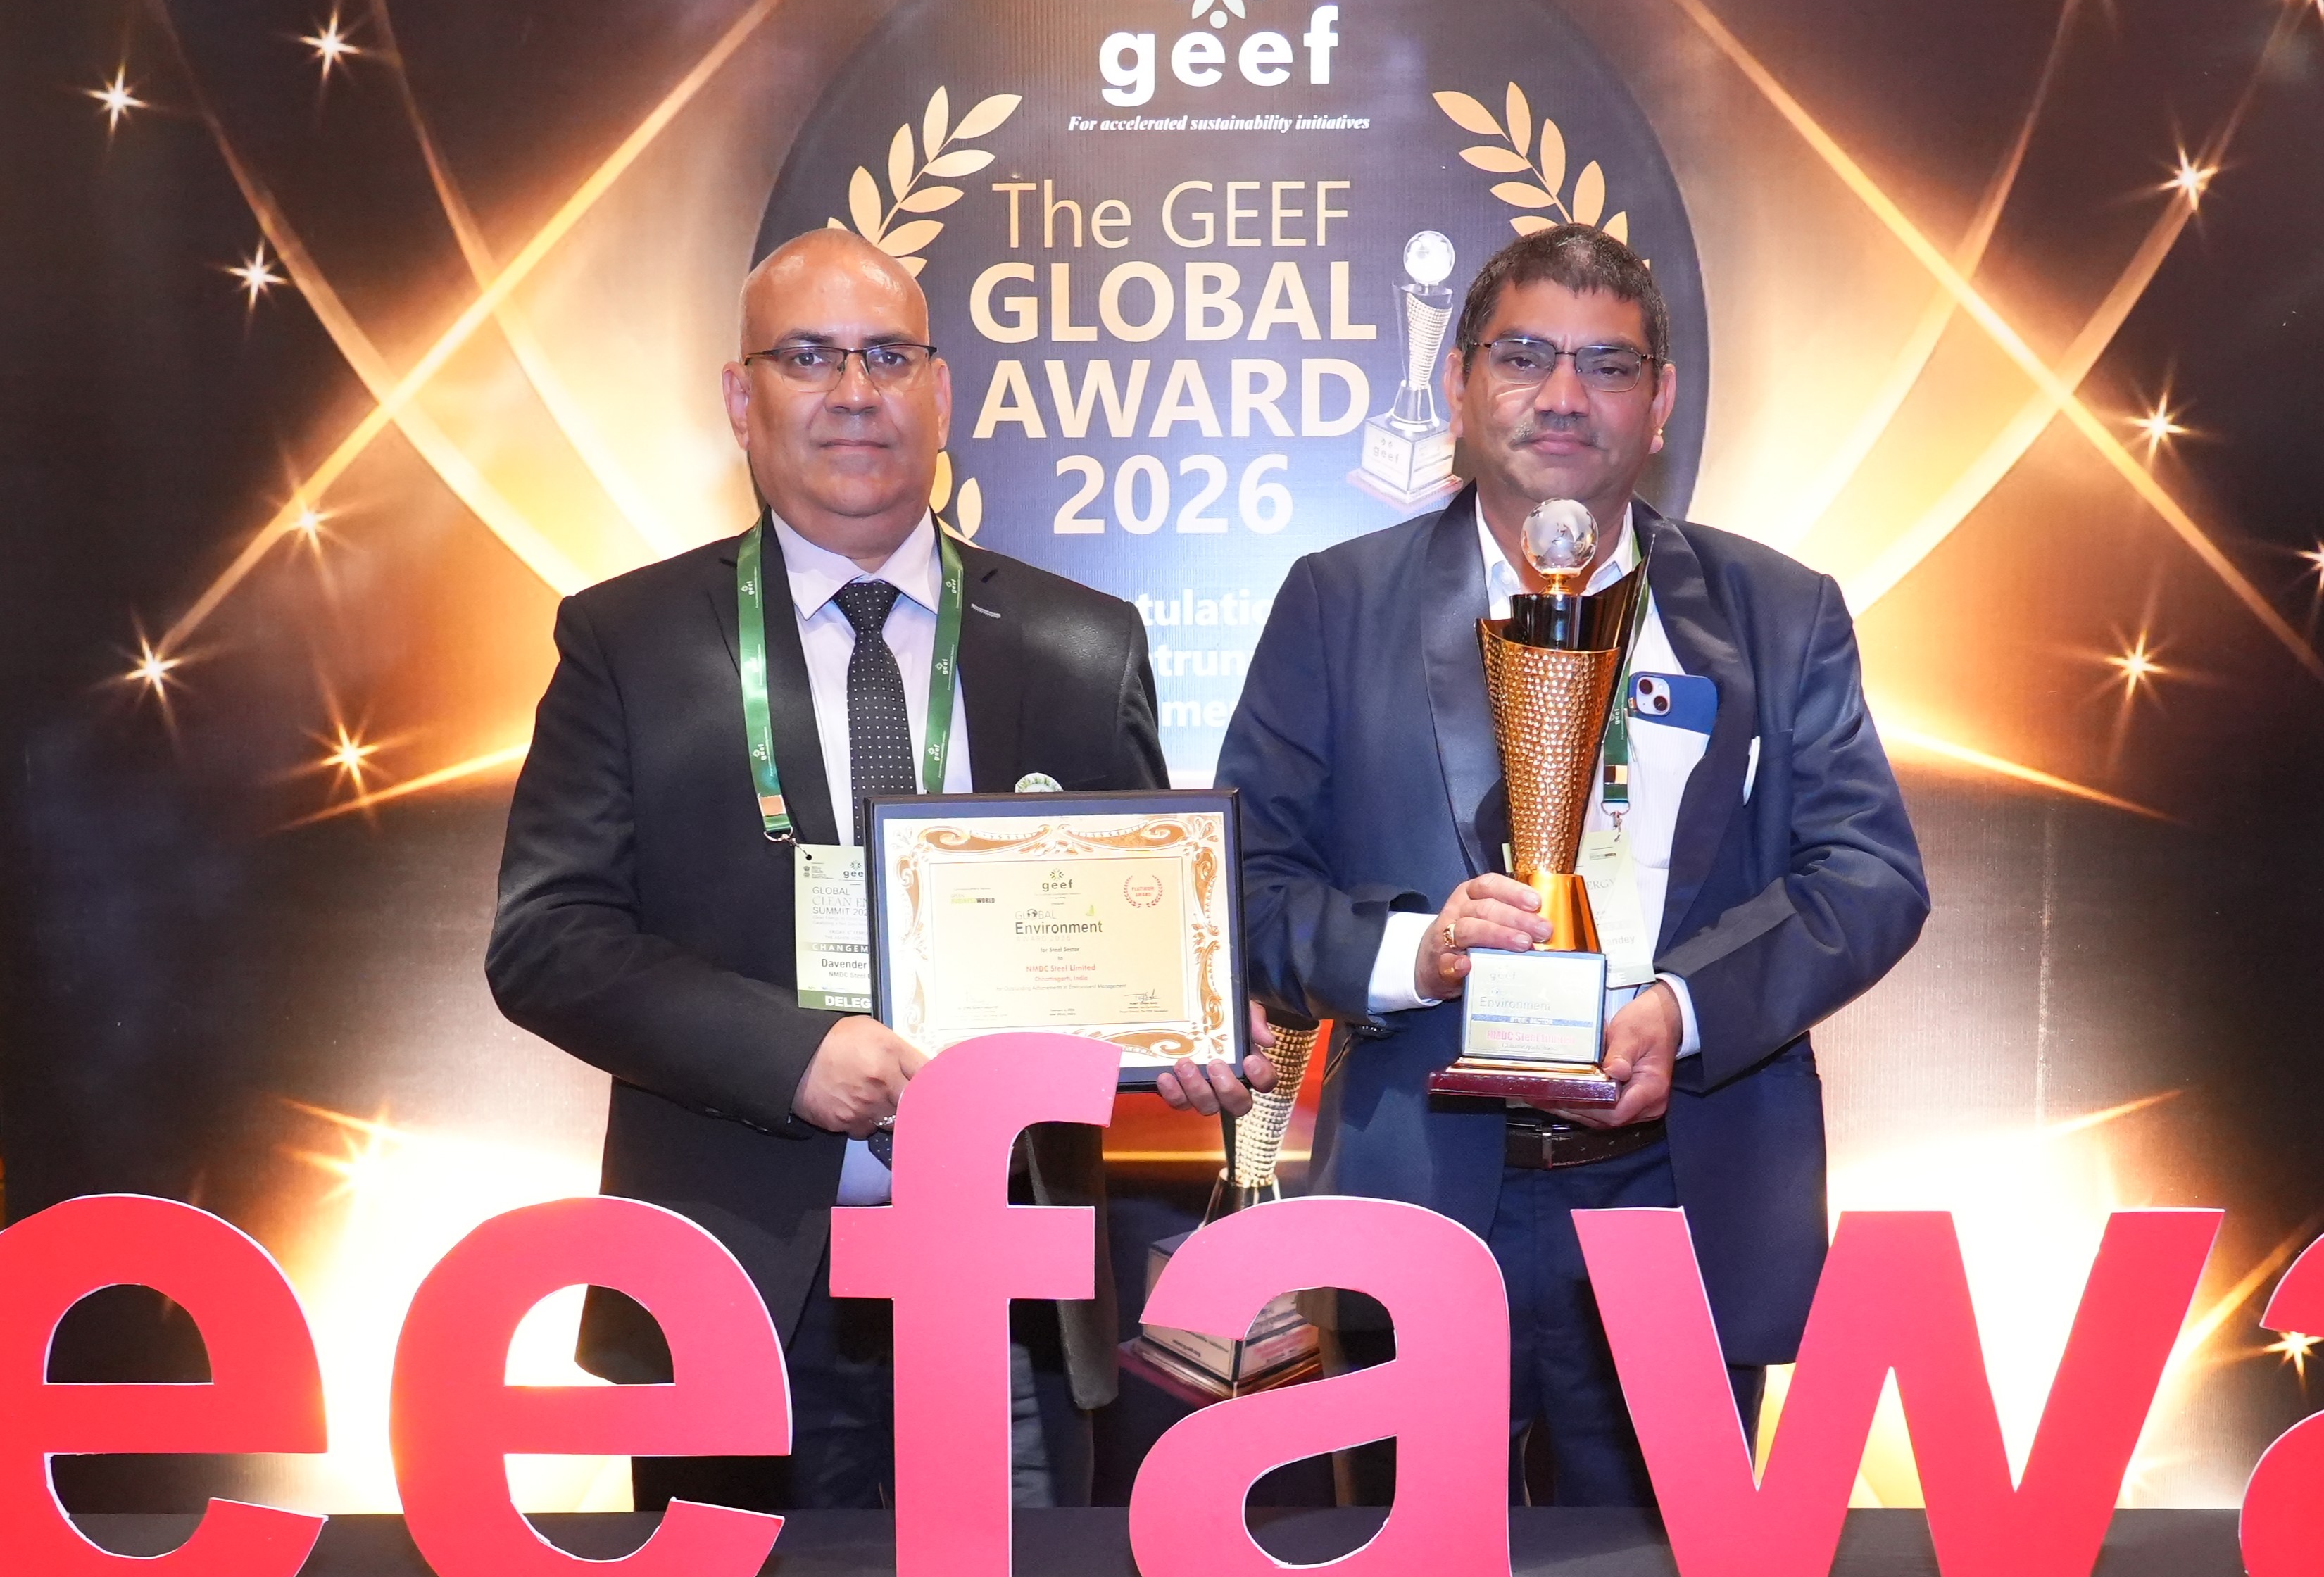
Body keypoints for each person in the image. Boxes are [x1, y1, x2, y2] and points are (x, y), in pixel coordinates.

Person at [487, 228, 1267, 1510]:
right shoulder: (628, 641)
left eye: (888, 357)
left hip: (1012, 1290)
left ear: (941, 395)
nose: (853, 392)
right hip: (737, 1284)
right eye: (807, 357)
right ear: (740, 397)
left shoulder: (1084, 643)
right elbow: (549, 942)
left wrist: (1181, 1030)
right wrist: (792, 1055)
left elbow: (1137, 927)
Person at [1216, 223, 1929, 1503]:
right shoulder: (1337, 602)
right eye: (1523, 357)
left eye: (1606, 365)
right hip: (1423, 1193)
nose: (1561, 395)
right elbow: (1247, 887)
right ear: (1458, 385)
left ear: (1660, 401)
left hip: (1680, 1190)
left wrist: (1686, 1012)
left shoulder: (1777, 612)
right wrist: (1419, 953)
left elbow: (1867, 873)